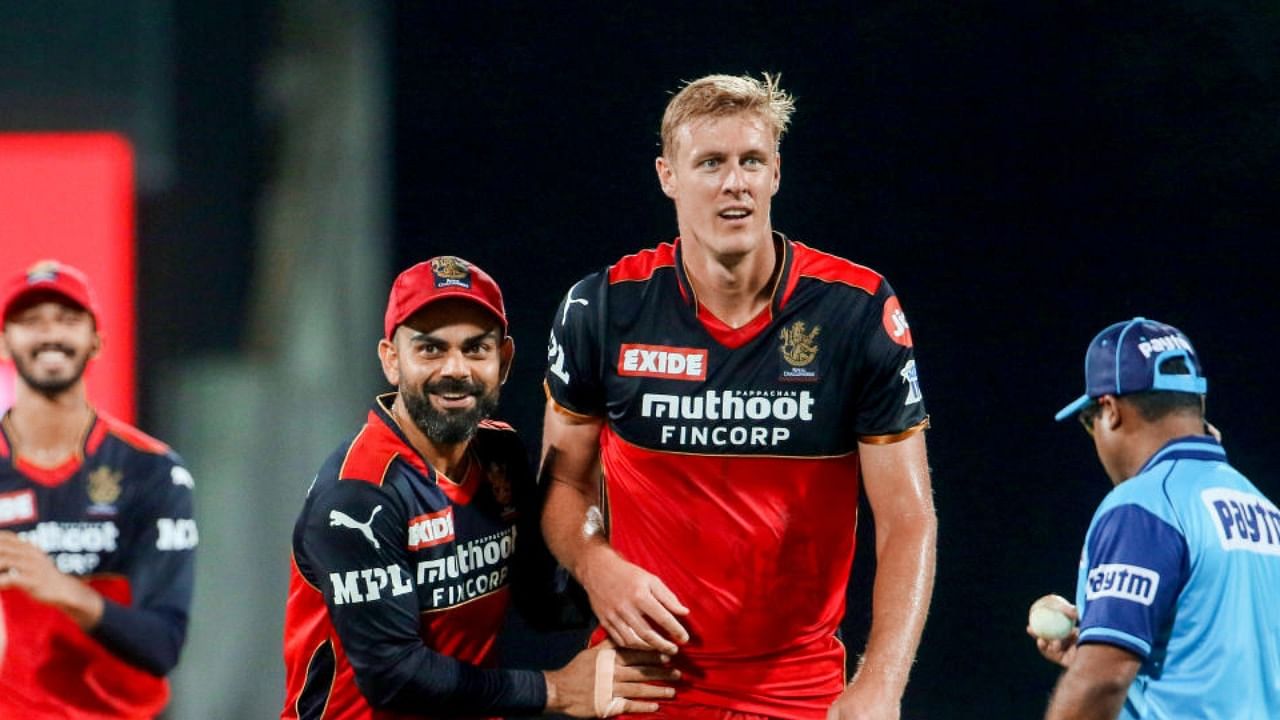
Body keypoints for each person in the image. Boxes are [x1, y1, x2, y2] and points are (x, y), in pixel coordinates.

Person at [540, 73, 937, 719]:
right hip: (645, 688)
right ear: (668, 175)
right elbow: (561, 484)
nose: (735, 183)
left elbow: (908, 517)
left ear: (776, 172)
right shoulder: (603, 308)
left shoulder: (856, 310)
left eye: (752, 160)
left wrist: (881, 683)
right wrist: (593, 561)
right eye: (711, 163)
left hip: (801, 693)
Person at [281, 256, 678, 719]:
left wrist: (641, 582)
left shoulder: (499, 453)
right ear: (391, 360)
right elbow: (393, 676)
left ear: (504, 360)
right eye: (430, 350)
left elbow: (543, 602)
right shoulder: (358, 494)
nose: (456, 370)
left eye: (476, 349)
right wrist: (556, 689)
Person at [1036, 317, 1280, 719]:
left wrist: (1096, 666)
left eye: (1088, 421)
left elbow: (1102, 682)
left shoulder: (1143, 506)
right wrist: (1098, 648)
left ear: (1110, 410)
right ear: (1196, 404)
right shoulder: (1264, 509)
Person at [0, 260, 198, 718]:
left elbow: (163, 645)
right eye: (31, 322)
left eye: (68, 321)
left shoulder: (152, 471)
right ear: (5, 342)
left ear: (97, 341)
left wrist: (61, 590)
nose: (50, 334)